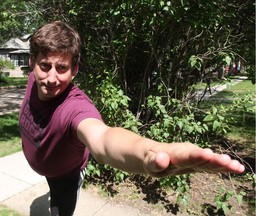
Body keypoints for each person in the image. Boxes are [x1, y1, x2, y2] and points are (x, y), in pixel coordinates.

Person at [19, 21, 245, 216]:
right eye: (45, 66)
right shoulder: (32, 82)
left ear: (74, 70)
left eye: (62, 68)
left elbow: (104, 138)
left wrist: (148, 152)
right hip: (49, 171)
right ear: (32, 63)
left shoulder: (74, 107)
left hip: (65, 177)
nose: (51, 78)